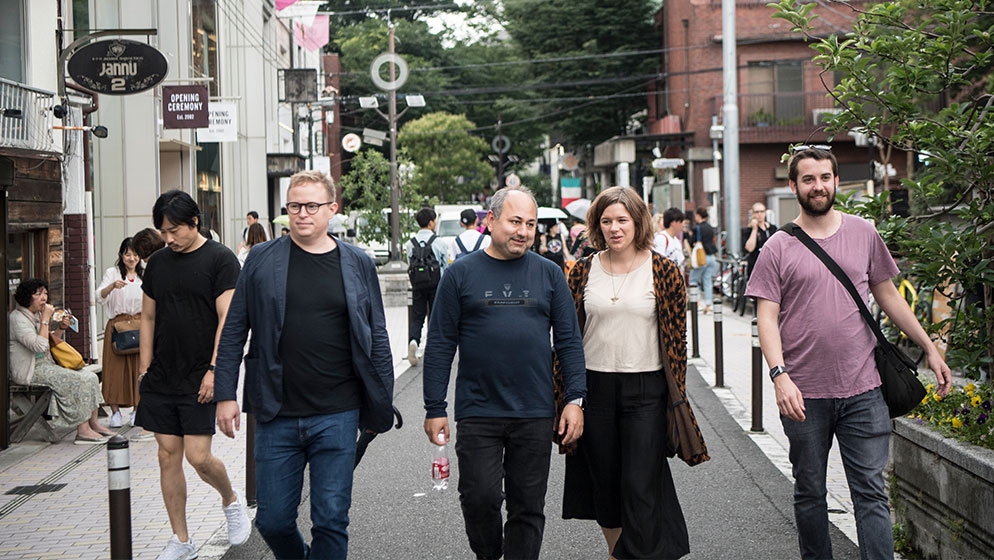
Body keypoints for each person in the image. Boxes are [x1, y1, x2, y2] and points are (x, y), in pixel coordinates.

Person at [745, 147, 952, 560]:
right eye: (808, 179)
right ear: (794, 186)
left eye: (825, 177)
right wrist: (779, 375)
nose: (817, 186)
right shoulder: (778, 247)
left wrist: (929, 346)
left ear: (836, 182)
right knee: (810, 492)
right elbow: (766, 317)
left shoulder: (863, 233)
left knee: (871, 493)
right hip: (803, 393)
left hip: (864, 389)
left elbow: (888, 295)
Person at [215, 170, 395, 560]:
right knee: (273, 520)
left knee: (331, 519)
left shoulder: (358, 263)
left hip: (338, 410)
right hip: (276, 410)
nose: (302, 214)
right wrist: (225, 393)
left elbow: (377, 336)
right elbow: (234, 331)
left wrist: (380, 400)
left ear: (332, 209)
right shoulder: (262, 259)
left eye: (312, 205)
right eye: (294, 206)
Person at [422, 185, 586, 560]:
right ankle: (489, 554)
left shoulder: (550, 274)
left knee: (528, 506)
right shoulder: (460, 274)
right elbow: (441, 343)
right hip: (478, 409)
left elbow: (569, 342)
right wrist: (435, 406)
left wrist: (575, 399)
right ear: (491, 220)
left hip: (535, 410)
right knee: (479, 496)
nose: (524, 231)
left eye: (530, 223)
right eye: (515, 221)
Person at [560, 187, 707, 559]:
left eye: (622, 220)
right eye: (606, 221)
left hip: (646, 390)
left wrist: (677, 400)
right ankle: (616, 554)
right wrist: (568, 397)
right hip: (594, 389)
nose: (614, 228)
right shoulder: (581, 271)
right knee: (605, 486)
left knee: (641, 487)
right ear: (596, 225)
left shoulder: (664, 270)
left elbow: (677, 341)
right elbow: (567, 337)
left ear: (638, 222)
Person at [135, 190, 250, 559]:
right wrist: (143, 367)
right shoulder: (158, 264)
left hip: (201, 374)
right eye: (163, 232)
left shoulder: (221, 259)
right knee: (167, 455)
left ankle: (230, 501)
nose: (167, 239)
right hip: (161, 375)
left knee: (198, 457)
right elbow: (148, 317)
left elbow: (227, 320)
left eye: (173, 231)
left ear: (194, 222)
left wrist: (215, 370)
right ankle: (182, 540)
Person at [9, 279, 108, 443]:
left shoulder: (36, 315)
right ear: (27, 297)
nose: (44, 298)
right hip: (30, 370)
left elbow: (48, 343)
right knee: (78, 380)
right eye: (38, 294)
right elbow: (39, 347)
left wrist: (60, 329)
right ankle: (83, 431)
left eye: (45, 293)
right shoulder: (17, 319)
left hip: (46, 365)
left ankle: (94, 423)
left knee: (90, 377)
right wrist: (46, 319)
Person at [96, 237, 147, 435]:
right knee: (114, 370)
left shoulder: (145, 274)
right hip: (117, 326)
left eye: (135, 254)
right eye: (128, 254)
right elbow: (98, 296)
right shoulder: (112, 273)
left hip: (139, 325)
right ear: (121, 255)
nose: (132, 258)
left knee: (138, 369)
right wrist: (112, 286)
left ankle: (137, 410)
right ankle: (115, 412)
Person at [404, 207, 448, 367]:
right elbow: (444, 266)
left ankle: (414, 341)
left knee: (418, 316)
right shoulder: (439, 242)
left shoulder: (410, 243)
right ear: (430, 223)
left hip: (417, 285)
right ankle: (433, 348)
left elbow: (410, 264)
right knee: (435, 317)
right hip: (436, 285)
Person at [683, 207, 718, 313]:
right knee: (707, 280)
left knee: (693, 280)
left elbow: (691, 241)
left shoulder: (697, 228)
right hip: (711, 256)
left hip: (701, 257)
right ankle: (709, 304)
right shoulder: (710, 227)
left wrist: (689, 235)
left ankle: (697, 303)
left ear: (698, 216)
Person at [742, 202, 776, 279]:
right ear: (753, 214)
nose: (759, 214)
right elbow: (749, 248)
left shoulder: (772, 228)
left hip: (770, 266)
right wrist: (754, 229)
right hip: (755, 266)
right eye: (757, 212)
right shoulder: (749, 230)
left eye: (762, 211)